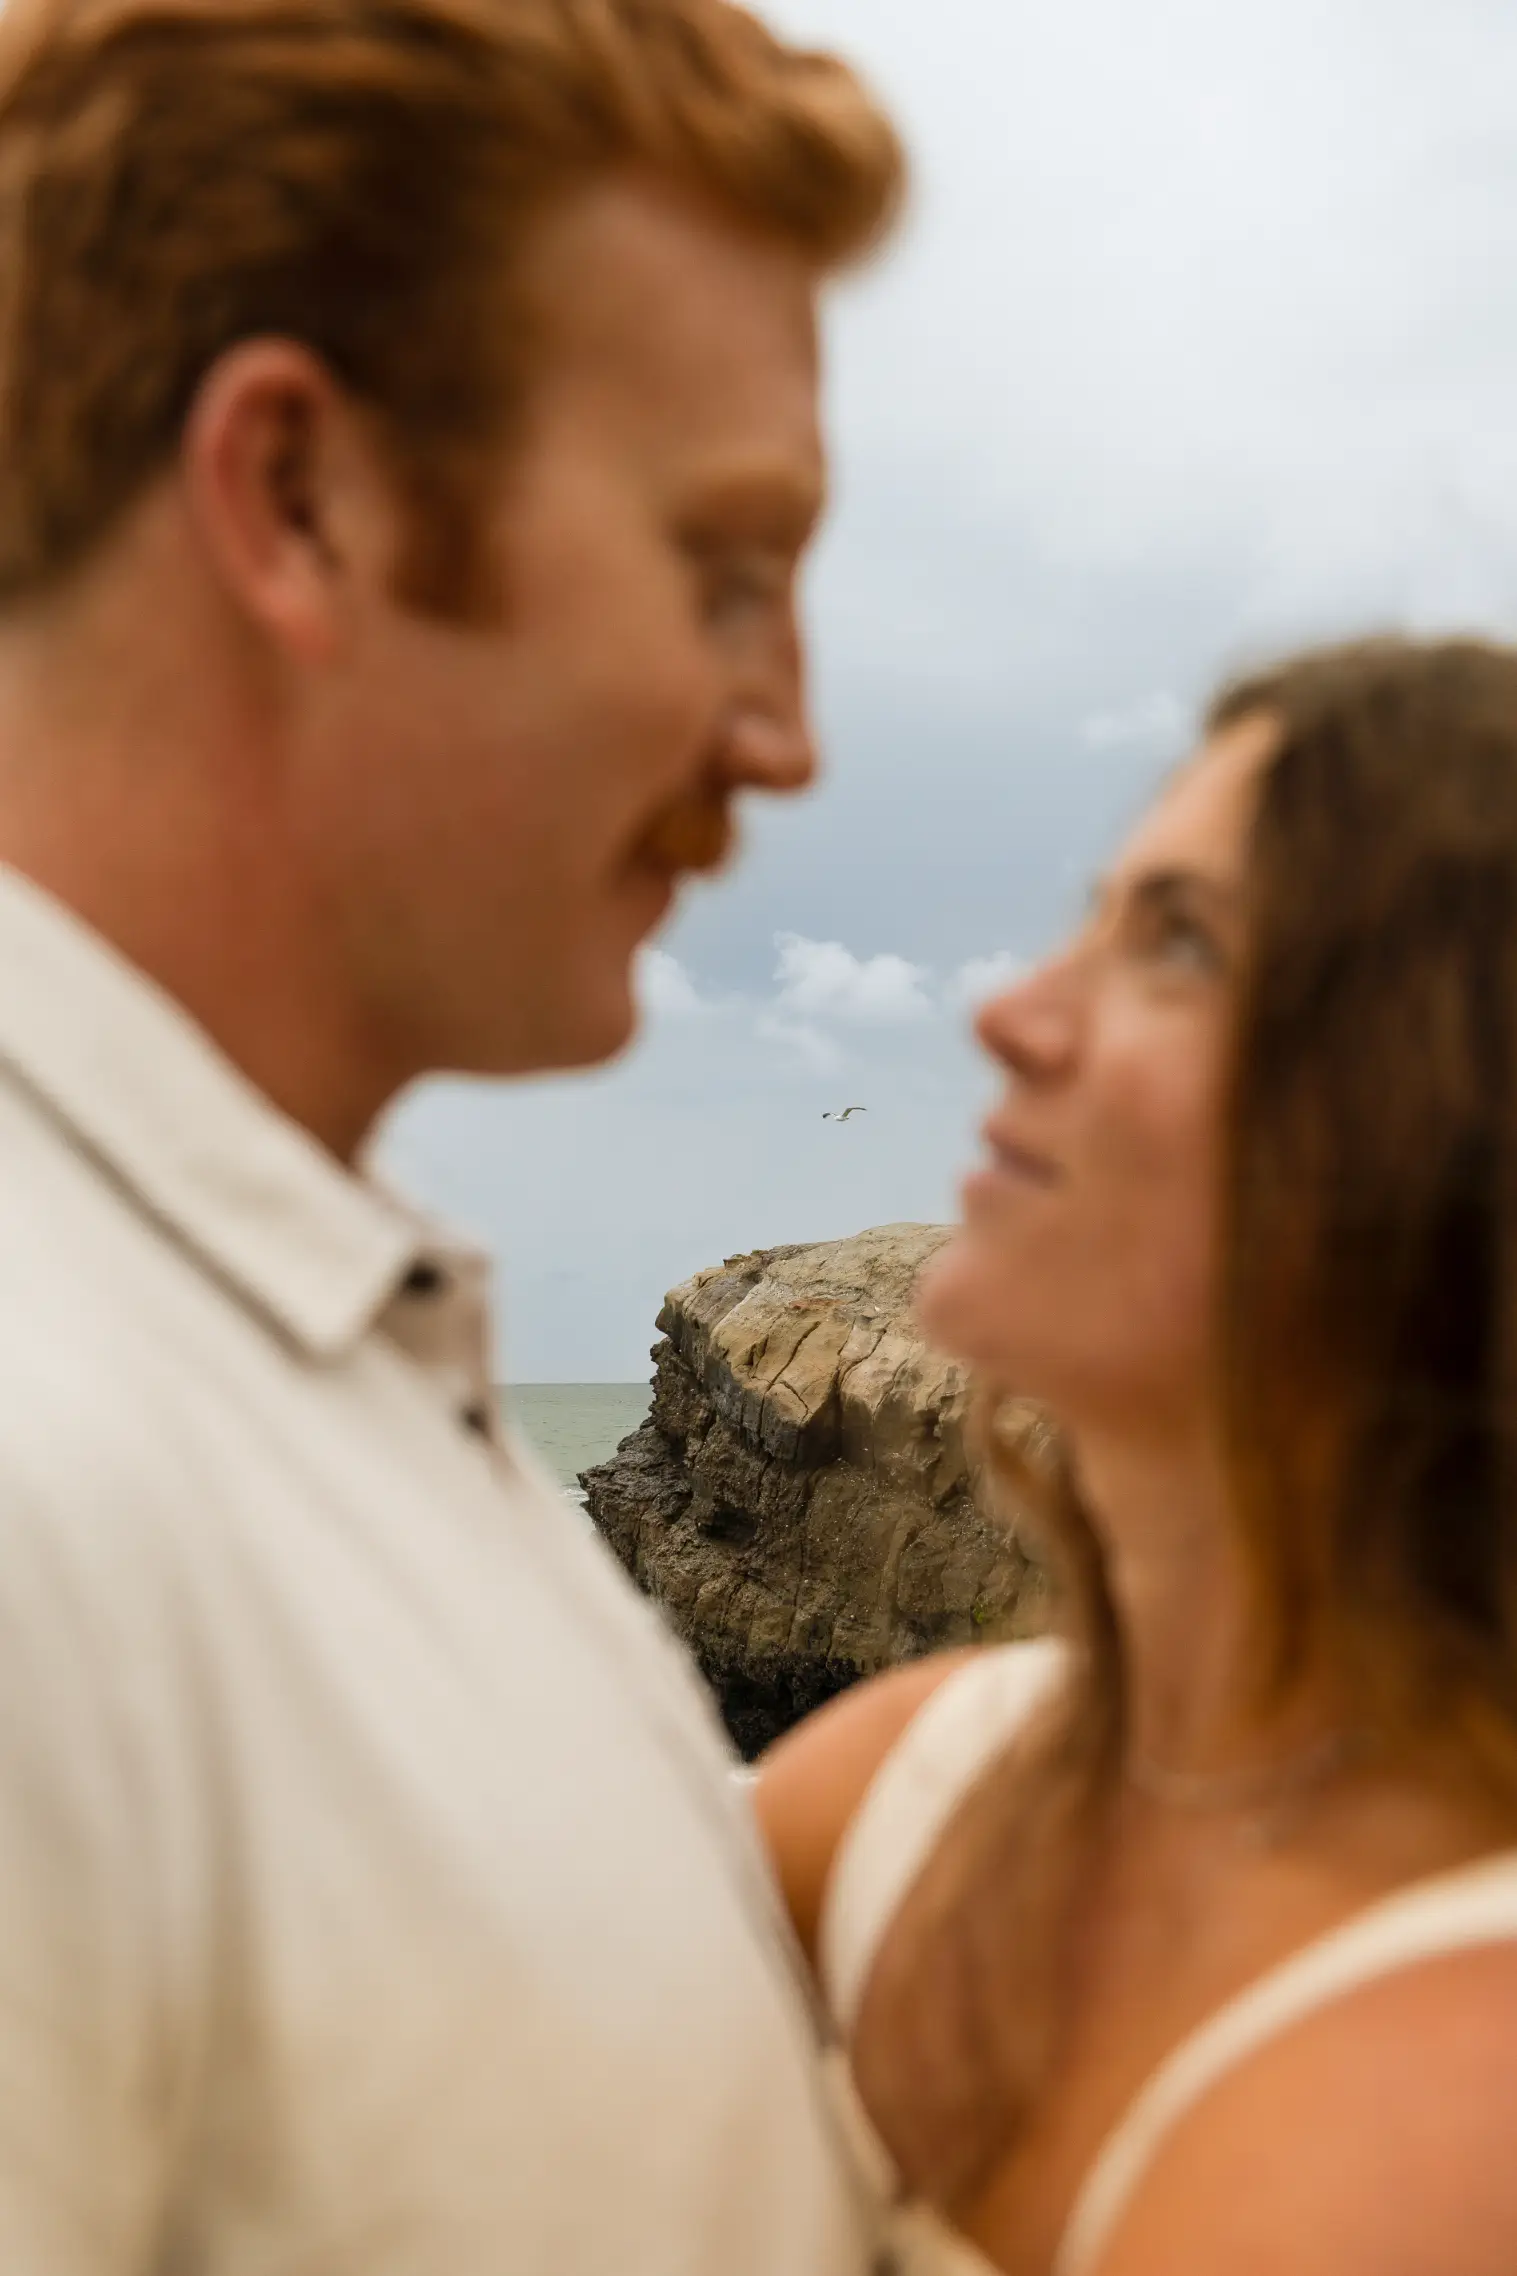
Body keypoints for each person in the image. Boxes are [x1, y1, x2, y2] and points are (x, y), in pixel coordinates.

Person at [0, 1, 904, 2269]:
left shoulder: (294, 1356)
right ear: (301, 501)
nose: (785, 734)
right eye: (725, 566)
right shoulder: (47, 1471)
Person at [759, 637, 1517, 2276]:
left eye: (1180, 943)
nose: (1011, 1012)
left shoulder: (1460, 2102)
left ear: (1437, 1124)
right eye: (1092, 920)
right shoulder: (901, 1792)